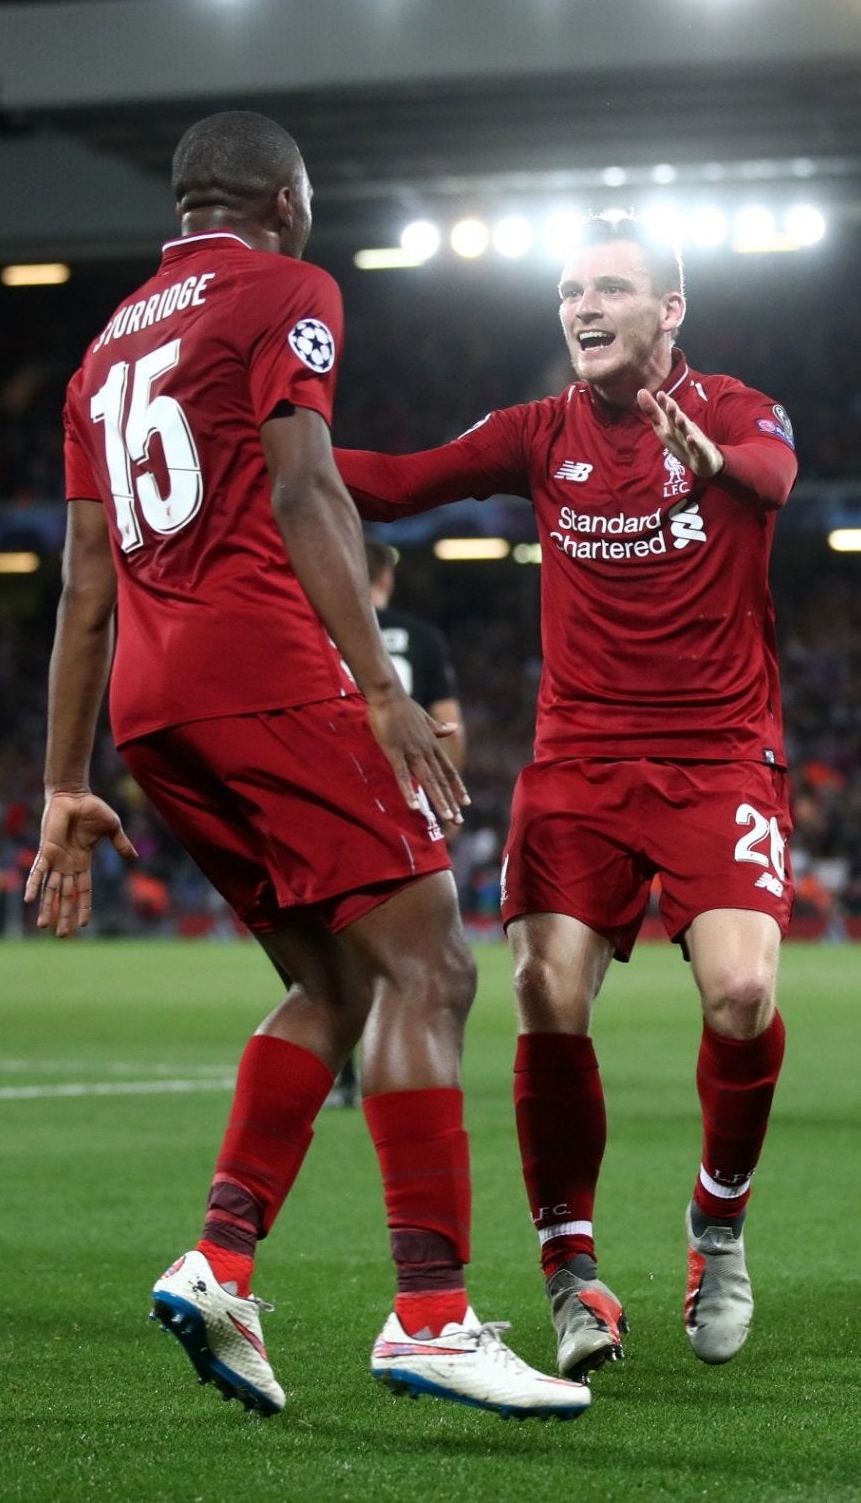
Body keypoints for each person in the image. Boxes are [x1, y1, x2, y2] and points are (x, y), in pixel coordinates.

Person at [26, 108, 585, 1421]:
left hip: (153, 710)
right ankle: (431, 1314)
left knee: (335, 979)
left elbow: (84, 580)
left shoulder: (100, 351)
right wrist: (382, 686)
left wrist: (63, 777)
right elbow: (304, 488)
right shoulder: (291, 288)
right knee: (432, 963)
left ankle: (221, 1258)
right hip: (263, 671)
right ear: (283, 196)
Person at [336, 212, 798, 1382]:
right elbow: (397, 482)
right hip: (579, 763)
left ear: (668, 309)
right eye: (567, 291)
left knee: (741, 993)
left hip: (718, 754)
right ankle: (568, 1268)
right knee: (544, 985)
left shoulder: (741, 407)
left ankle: (717, 1225)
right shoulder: (538, 433)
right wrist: (277, 458)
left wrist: (710, 461)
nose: (582, 308)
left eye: (608, 288)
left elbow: (773, 475)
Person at [327, 537, 466, 1111]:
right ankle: (422, 1068)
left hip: (333, 797)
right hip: (405, 803)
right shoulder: (424, 638)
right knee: (423, 956)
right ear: (386, 576)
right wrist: (446, 801)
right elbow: (449, 726)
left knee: (335, 943)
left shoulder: (322, 630)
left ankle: (342, 1066)